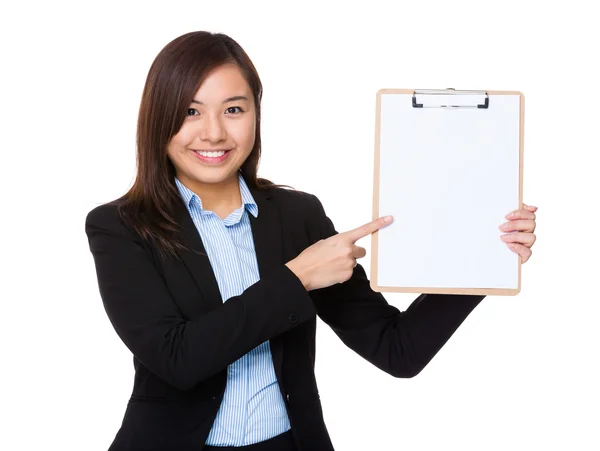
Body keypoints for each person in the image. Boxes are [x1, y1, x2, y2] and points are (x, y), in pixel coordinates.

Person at [85, 31, 538, 451]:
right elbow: (177, 359)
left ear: (255, 115)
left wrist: (484, 257)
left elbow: (398, 350)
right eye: (190, 111)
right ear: (158, 117)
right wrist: (297, 278)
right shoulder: (120, 227)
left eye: (234, 109)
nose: (214, 133)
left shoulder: (297, 215)